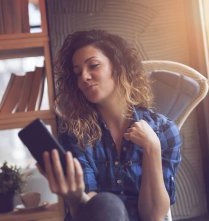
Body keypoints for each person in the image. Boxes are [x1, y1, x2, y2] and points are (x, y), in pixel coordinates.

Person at [42, 30, 182, 221]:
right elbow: (90, 208)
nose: (84, 77)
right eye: (77, 73)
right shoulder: (75, 134)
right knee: (107, 204)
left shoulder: (164, 131)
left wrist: (153, 149)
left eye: (93, 66)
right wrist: (75, 199)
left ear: (117, 67)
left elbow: (154, 215)